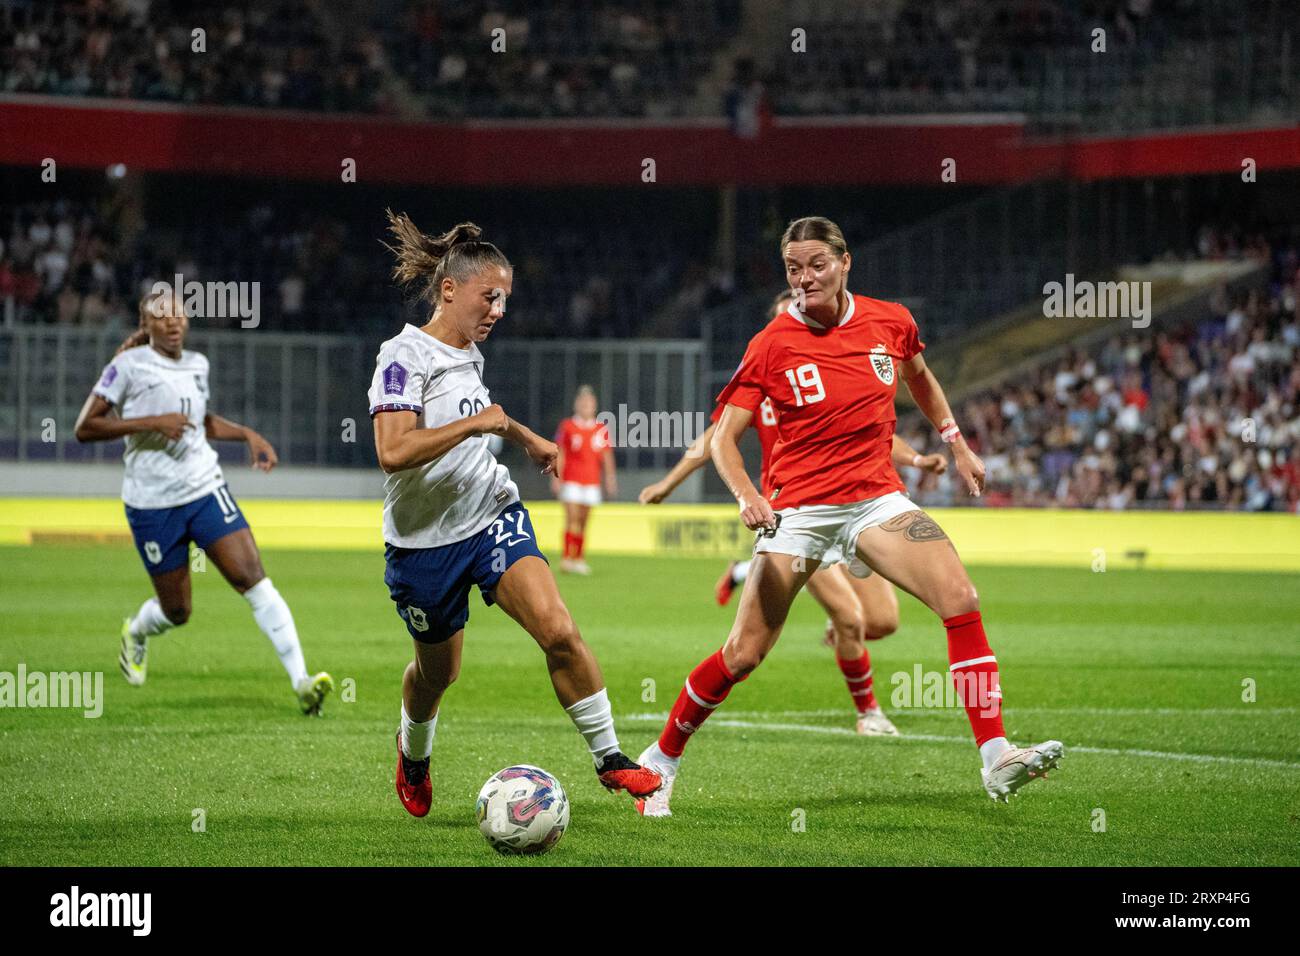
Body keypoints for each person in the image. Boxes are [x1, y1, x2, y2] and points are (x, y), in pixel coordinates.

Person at [635, 217, 1063, 816]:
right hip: (798, 513)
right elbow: (721, 441)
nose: (804, 278)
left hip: (876, 503)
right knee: (744, 654)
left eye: (815, 265)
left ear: (844, 263)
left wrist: (956, 442)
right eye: (792, 268)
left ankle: (995, 755)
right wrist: (745, 495)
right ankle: (662, 758)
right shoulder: (770, 344)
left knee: (960, 597)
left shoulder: (891, 321)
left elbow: (921, 378)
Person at [370, 210, 660, 818]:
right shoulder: (401, 357)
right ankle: (414, 753)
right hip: (424, 544)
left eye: (505, 299)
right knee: (437, 673)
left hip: (492, 513)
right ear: (449, 290)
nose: (499, 309)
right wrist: (484, 421)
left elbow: (487, 418)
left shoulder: (471, 352)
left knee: (558, 629)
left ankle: (611, 760)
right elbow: (393, 451)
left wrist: (525, 437)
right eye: (490, 296)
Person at [639, 289, 949, 736]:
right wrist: (668, 483)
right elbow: (714, 438)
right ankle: (870, 713)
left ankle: (750, 574)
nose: (800, 322)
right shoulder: (765, 371)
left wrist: (919, 460)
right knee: (848, 619)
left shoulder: (837, 370)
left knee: (882, 621)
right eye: (788, 316)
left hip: (860, 505)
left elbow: (871, 433)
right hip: (797, 514)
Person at [73, 289, 333, 714]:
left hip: (204, 488)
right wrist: (151, 422)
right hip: (152, 502)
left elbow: (200, 421)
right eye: (162, 316)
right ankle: (137, 633)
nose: (173, 322)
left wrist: (248, 434)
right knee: (177, 611)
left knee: (253, 578)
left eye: (179, 314)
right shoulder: (127, 366)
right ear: (147, 324)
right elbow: (86, 426)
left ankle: (302, 681)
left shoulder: (198, 365)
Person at [553, 385, 616, 574]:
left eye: (589, 403)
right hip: (572, 479)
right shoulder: (567, 426)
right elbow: (561, 453)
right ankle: (566, 558)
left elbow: (606, 456)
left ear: (594, 406)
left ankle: (578, 558)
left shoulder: (600, 429)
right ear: (577, 405)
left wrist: (610, 479)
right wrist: (557, 477)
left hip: (591, 481)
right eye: (583, 403)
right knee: (571, 518)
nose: (586, 406)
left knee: (583, 521)